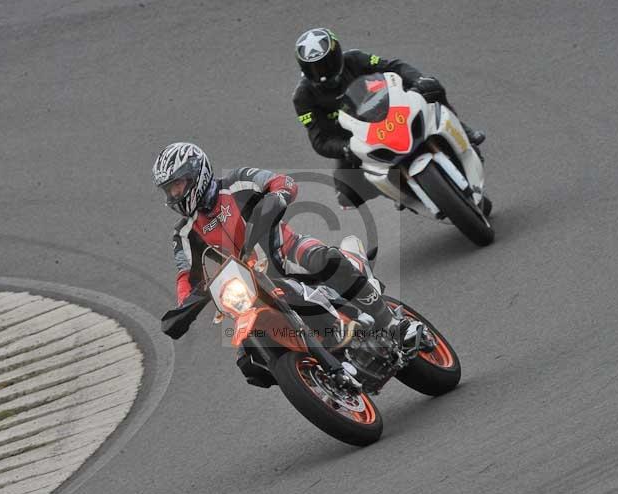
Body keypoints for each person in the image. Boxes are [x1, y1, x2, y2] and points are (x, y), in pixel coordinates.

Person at [152, 142, 418, 381]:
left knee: (326, 260)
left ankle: (391, 323)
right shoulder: (184, 234)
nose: (174, 194)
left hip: (286, 252)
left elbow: (282, 182)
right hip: (249, 289)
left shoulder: (236, 182)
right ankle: (314, 377)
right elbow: (186, 275)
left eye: (178, 185)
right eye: (169, 189)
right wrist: (183, 307)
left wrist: (276, 197)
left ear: (197, 174)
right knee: (248, 362)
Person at [292, 27, 486, 209]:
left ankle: (464, 131)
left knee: (431, 86)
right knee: (347, 196)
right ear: (305, 70)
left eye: (327, 64)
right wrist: (345, 148)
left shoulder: (354, 59)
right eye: (316, 69)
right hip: (356, 138)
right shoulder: (303, 97)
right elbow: (319, 139)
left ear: (337, 55)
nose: (324, 72)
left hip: (387, 110)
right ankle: (394, 191)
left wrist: (418, 80)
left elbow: (392, 66)